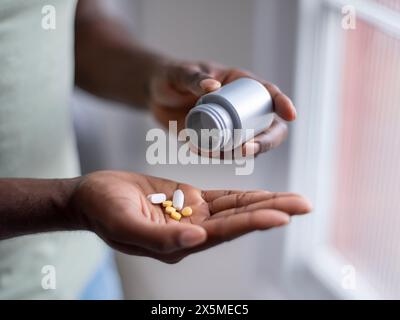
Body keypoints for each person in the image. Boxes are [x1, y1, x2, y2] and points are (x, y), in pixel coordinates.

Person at [0, 0, 311, 299]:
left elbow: (78, 24)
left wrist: (154, 80)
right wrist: (66, 203)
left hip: (82, 275)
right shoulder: (72, 206)